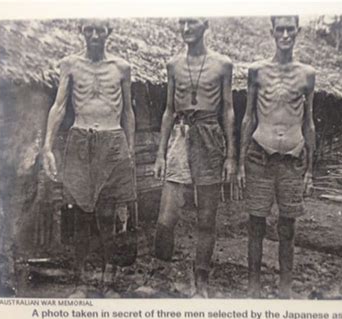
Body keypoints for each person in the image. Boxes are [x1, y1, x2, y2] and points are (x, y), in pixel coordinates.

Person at [42, 19, 137, 298]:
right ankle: (80, 282)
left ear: (110, 31)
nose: (94, 35)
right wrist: (47, 145)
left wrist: (129, 149)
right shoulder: (69, 64)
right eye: (88, 29)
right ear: (80, 31)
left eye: (100, 29)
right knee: (81, 215)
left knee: (108, 214)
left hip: (112, 140)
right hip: (81, 140)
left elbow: (128, 111)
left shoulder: (122, 68)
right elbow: (59, 106)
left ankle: (109, 280)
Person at [153, 17, 236, 297]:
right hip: (180, 135)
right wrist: (161, 154)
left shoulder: (222, 64)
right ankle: (160, 276)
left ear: (206, 25)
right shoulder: (173, 65)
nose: (186, 28)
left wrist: (230, 157)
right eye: (182, 22)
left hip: (210, 136)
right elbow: (167, 109)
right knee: (166, 216)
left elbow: (227, 110)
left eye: (193, 22)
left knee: (206, 218)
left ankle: (201, 281)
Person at [237, 15, 315, 299]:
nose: (285, 34)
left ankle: (285, 287)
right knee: (256, 222)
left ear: (298, 31)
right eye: (279, 29)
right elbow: (247, 117)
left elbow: (309, 122)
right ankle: (254, 286)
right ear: (272, 32)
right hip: (260, 155)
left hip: (293, 159)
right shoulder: (257, 71)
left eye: (290, 29)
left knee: (288, 225)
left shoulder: (307, 74)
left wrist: (310, 170)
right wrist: (240, 163)